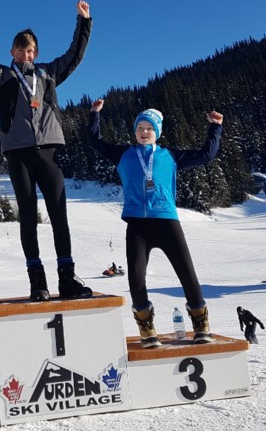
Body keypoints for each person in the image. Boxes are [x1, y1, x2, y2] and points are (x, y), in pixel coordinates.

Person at [0, 0, 93, 302]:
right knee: (28, 215)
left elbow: (74, 55)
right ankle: (36, 280)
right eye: (22, 49)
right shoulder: (3, 77)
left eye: (32, 50)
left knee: (59, 215)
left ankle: (66, 278)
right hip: (19, 154)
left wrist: (83, 22)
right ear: (12, 51)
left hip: (49, 151)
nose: (27, 53)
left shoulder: (48, 75)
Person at [86, 99, 223, 347]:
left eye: (149, 128)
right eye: (140, 128)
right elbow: (94, 142)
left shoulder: (170, 156)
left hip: (167, 222)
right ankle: (147, 328)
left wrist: (215, 127)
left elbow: (206, 155)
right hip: (137, 225)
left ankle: (200, 323)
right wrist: (95, 114)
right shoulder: (124, 155)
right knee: (136, 277)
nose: (144, 132)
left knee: (187, 273)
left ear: (157, 132)